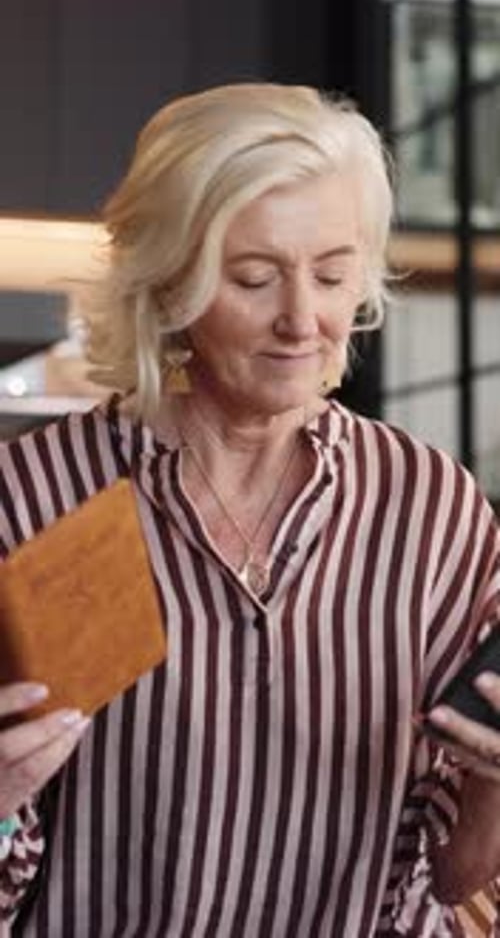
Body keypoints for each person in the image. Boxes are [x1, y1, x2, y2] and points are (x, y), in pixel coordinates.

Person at [0, 81, 499, 938]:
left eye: (335, 274)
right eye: (254, 278)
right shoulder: (32, 499)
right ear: (169, 285)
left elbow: (455, 875)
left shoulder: (432, 506)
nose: (303, 319)